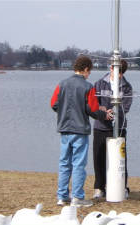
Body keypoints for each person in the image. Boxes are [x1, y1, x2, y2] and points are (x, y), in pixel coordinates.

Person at [51, 56, 113, 207]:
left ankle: (62, 196)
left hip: (65, 129)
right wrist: (105, 114)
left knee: (64, 163)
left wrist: (65, 111)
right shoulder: (88, 87)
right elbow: (92, 110)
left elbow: (53, 104)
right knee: (78, 164)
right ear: (85, 69)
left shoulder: (62, 84)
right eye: (89, 72)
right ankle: (77, 197)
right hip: (80, 131)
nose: (89, 74)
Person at [92, 59, 133, 199]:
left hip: (119, 128)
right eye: (116, 71)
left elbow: (126, 107)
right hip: (100, 127)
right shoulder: (99, 83)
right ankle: (99, 187)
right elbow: (93, 105)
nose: (118, 75)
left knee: (121, 159)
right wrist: (103, 113)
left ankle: (122, 187)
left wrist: (114, 113)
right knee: (98, 158)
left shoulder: (127, 87)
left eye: (121, 73)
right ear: (110, 68)